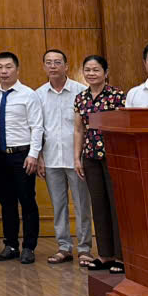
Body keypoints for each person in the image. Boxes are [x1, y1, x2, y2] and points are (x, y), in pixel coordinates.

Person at [0, 51, 44, 264]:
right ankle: (10, 245)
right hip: (0, 155)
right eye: (0, 67)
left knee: (27, 201)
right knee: (6, 203)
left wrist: (33, 155)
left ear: (17, 70)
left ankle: (29, 246)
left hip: (23, 155)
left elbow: (37, 127)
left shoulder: (29, 95)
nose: (4, 71)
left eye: (8, 67)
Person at [74, 55, 128, 274]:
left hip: (113, 156)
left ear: (106, 72)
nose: (91, 74)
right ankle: (105, 255)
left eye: (96, 70)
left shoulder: (117, 96)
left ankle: (121, 257)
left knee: (116, 206)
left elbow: (124, 126)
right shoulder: (81, 98)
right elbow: (79, 129)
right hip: (90, 157)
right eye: (87, 70)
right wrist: (76, 157)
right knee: (98, 205)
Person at [36, 49, 90, 266]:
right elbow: (37, 129)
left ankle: (84, 249)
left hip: (76, 159)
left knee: (81, 205)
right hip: (51, 159)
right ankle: (64, 247)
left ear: (66, 66)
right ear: (43, 67)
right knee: (58, 206)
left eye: (57, 62)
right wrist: (39, 157)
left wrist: (82, 156)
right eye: (48, 62)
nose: (53, 66)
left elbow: (86, 127)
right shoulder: (38, 94)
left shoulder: (81, 92)